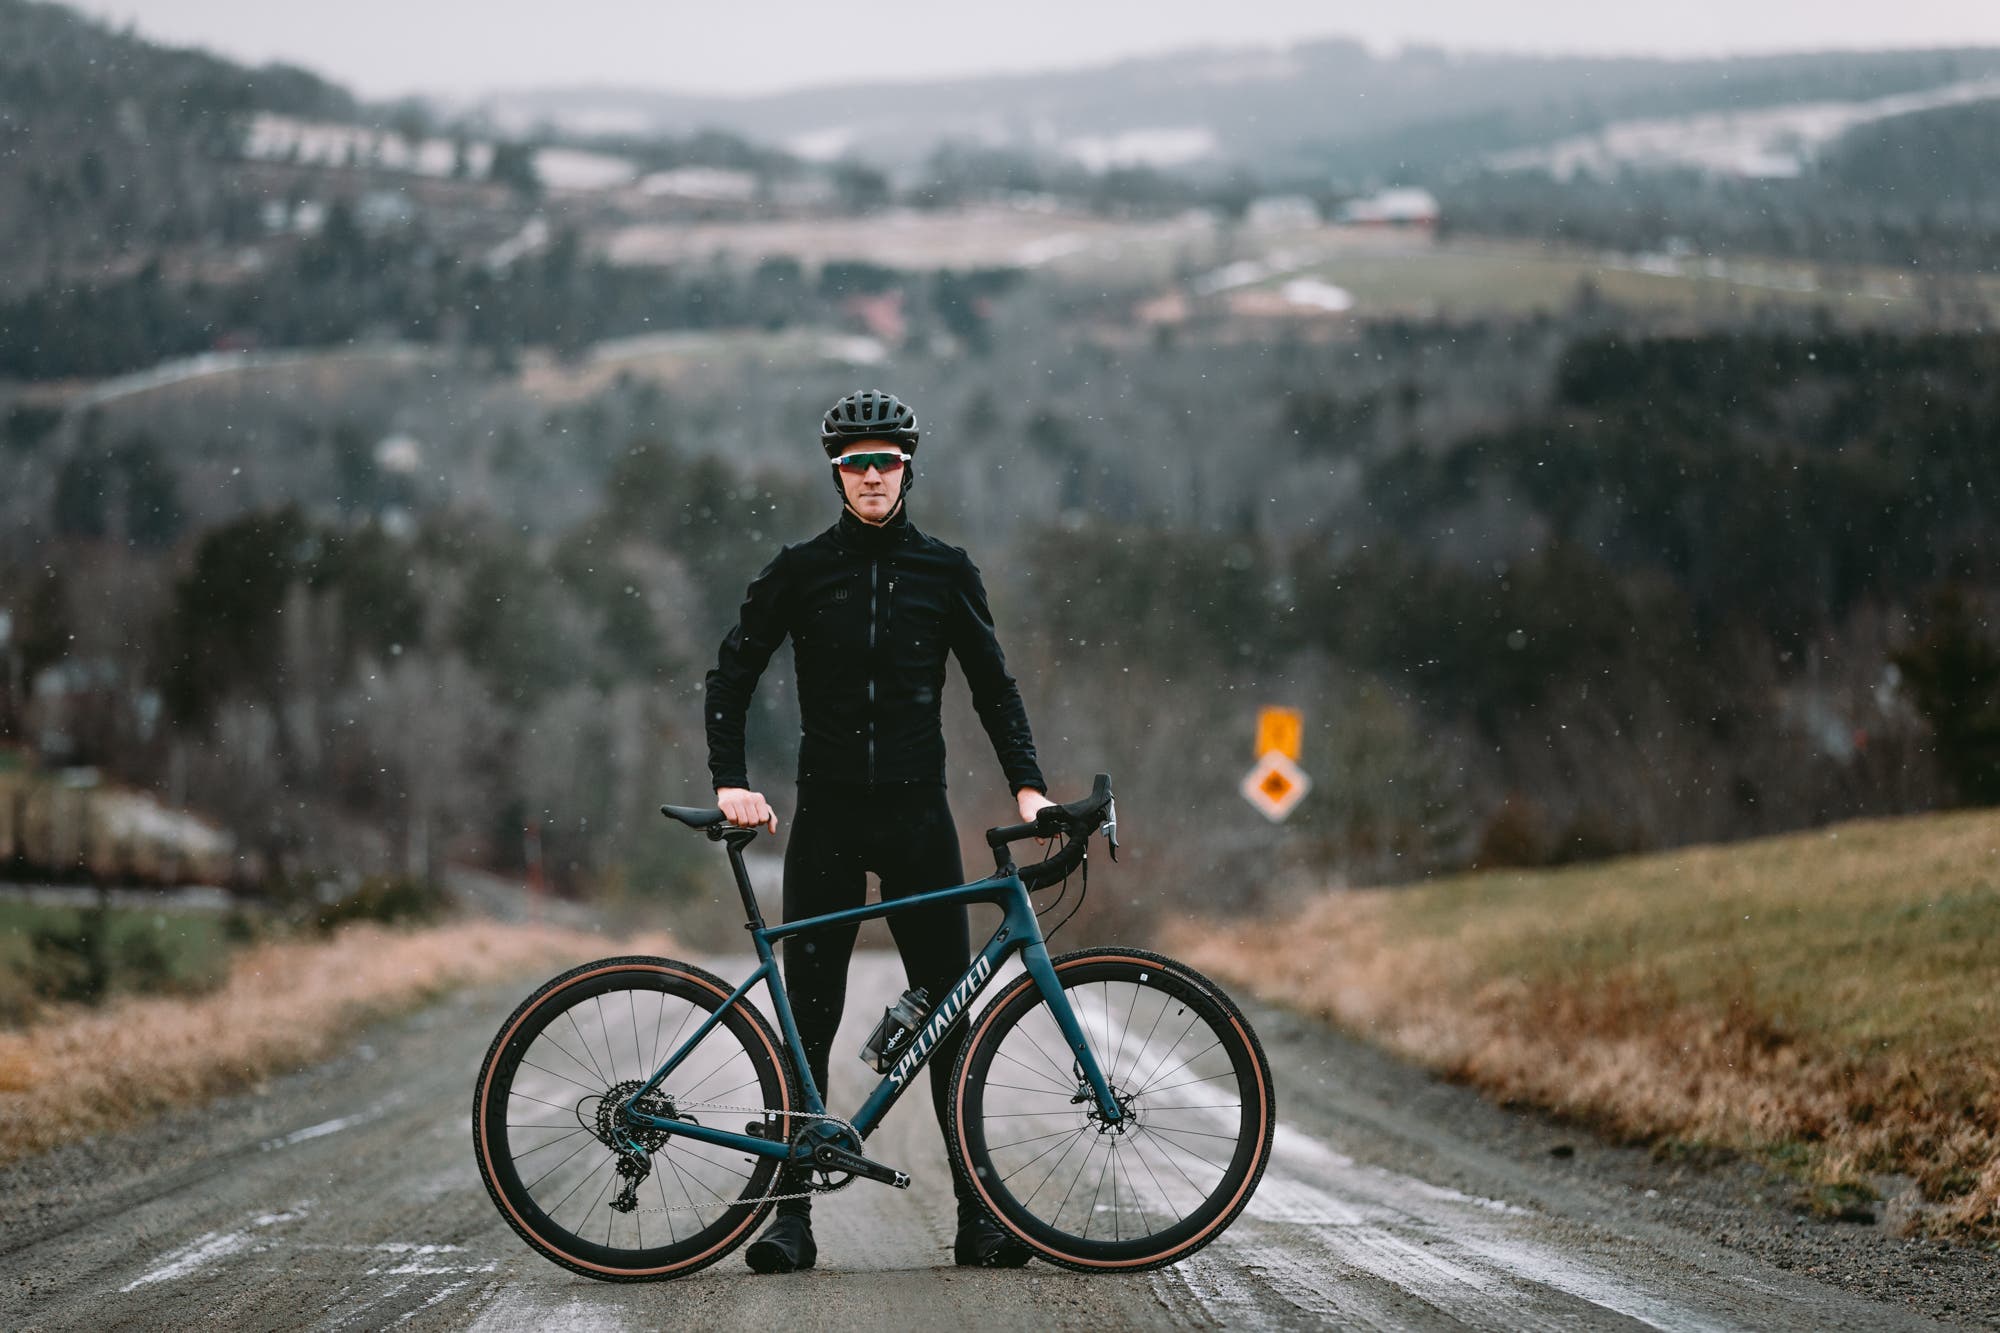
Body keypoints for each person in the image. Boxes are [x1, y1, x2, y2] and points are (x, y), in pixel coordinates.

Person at [703, 388, 1056, 1273]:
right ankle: (788, 1220)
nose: (871, 476)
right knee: (808, 1021)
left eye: (885, 461)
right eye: (856, 463)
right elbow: (733, 671)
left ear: (907, 469)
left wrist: (1029, 789)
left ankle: (978, 1217)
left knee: (948, 1017)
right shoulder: (799, 570)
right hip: (826, 817)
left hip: (916, 817)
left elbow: (994, 686)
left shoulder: (946, 571)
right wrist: (731, 781)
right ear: (836, 473)